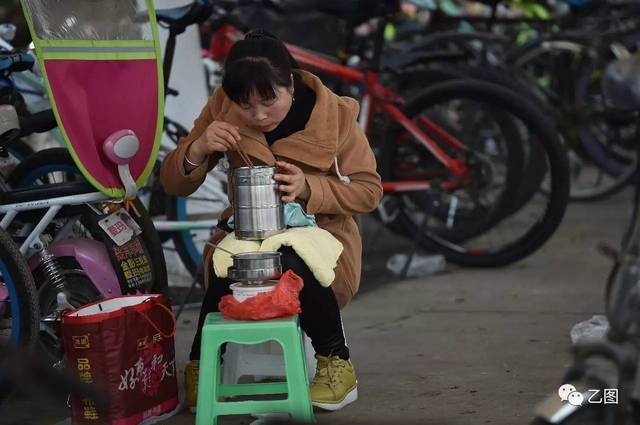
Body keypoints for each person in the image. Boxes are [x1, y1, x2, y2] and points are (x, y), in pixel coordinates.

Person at [159, 30, 382, 412]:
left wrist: (310, 187)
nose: (259, 116)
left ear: (290, 83)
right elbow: (174, 185)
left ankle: (335, 363)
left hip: (323, 240)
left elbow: (368, 191)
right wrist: (199, 147)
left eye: (269, 101)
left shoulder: (335, 115)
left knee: (292, 261)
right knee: (230, 261)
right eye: (245, 105)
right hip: (247, 235)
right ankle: (204, 364)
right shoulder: (222, 109)